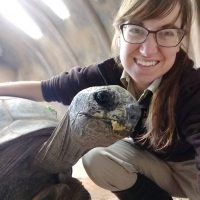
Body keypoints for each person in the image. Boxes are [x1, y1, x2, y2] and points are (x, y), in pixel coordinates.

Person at [0, 0, 199, 199]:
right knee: (96, 157)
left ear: (180, 40)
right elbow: (48, 88)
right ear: (120, 33)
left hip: (192, 173)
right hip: (157, 164)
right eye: (136, 30)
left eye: (167, 32)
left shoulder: (192, 88)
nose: (148, 50)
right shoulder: (108, 73)